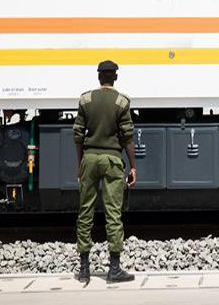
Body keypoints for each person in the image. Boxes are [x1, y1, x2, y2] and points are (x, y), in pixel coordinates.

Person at [73, 60, 137, 283]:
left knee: (85, 211)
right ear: (115, 77)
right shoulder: (121, 101)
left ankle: (83, 268)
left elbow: (78, 134)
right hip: (112, 160)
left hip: (89, 159)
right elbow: (127, 137)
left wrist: (80, 164)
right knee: (113, 213)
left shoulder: (86, 99)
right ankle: (114, 268)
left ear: (99, 77)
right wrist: (133, 166)